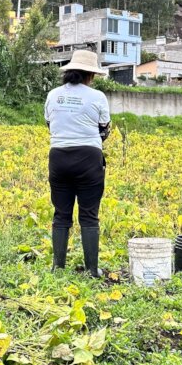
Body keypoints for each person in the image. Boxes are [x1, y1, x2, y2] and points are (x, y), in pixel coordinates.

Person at [45, 50, 111, 275]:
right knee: (89, 215)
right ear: (90, 75)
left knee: (61, 214)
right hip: (88, 159)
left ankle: (58, 267)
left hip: (59, 158)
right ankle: (92, 270)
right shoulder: (97, 97)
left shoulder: (53, 95)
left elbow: (49, 124)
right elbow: (105, 129)